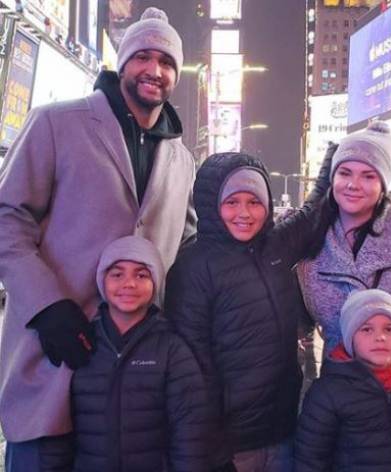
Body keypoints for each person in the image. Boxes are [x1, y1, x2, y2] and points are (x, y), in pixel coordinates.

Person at [0, 6, 196, 470]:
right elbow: (7, 216)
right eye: (143, 57)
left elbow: (187, 249)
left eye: (167, 62)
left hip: (133, 390)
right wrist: (47, 306)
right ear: (122, 63)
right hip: (53, 365)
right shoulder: (56, 123)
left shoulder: (182, 159)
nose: (155, 70)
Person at [165, 148, 334, 472]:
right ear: (212, 206)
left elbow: (314, 212)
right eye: (232, 202)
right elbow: (191, 368)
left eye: (254, 202)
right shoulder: (193, 268)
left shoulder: (276, 246)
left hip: (282, 431)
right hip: (231, 446)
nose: (244, 213)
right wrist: (211, 449)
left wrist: (335, 157)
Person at [296, 120, 391, 469]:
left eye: (368, 175)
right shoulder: (311, 243)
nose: (353, 184)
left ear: (383, 184)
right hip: (346, 419)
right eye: (345, 172)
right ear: (332, 179)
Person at [70, 236, 208, 472]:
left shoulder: (172, 349)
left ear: (155, 282)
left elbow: (190, 433)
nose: (129, 284)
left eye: (141, 275)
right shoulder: (80, 342)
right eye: (117, 274)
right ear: (102, 280)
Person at [294, 289, 391, 472]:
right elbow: (310, 460)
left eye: (390, 329)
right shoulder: (327, 392)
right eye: (366, 329)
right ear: (350, 339)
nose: (380, 337)